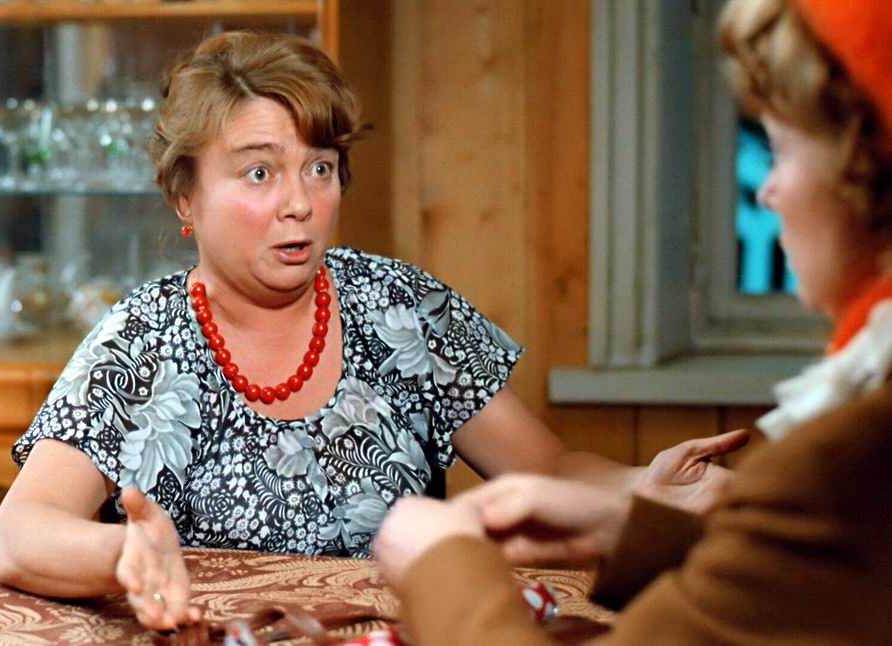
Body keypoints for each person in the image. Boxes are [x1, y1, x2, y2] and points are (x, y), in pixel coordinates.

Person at [0, 31, 743, 632]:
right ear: (184, 196)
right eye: (259, 173)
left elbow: (545, 470)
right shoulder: (142, 338)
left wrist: (639, 489)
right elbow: (19, 532)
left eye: (320, 168)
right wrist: (124, 552)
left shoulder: (399, 306)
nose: (299, 203)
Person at [374, 0, 892, 643]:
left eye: (781, 149)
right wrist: (626, 526)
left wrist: (441, 565)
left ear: (866, 171)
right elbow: (823, 583)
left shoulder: (849, 455)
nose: (768, 191)